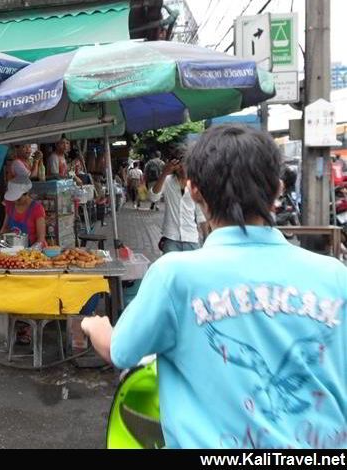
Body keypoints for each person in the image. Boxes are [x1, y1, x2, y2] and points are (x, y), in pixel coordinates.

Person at [81, 124, 347, 449]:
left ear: (195, 191)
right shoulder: (335, 276)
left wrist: (94, 325)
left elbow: (121, 351)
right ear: (277, 190)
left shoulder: (174, 275)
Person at [149, 147, 209, 253]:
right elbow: (154, 197)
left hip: (191, 238)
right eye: (180, 165)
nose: (183, 169)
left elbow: (200, 214)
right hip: (171, 238)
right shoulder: (167, 181)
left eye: (187, 165)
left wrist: (206, 237)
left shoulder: (196, 184)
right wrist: (164, 173)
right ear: (174, 166)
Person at [0, 176, 47, 249]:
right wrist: (0, 242)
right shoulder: (10, 205)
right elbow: (5, 228)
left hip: (34, 250)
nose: (15, 202)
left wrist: (30, 252)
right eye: (13, 199)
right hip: (13, 249)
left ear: (26, 193)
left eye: (18, 199)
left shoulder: (37, 209)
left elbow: (41, 239)